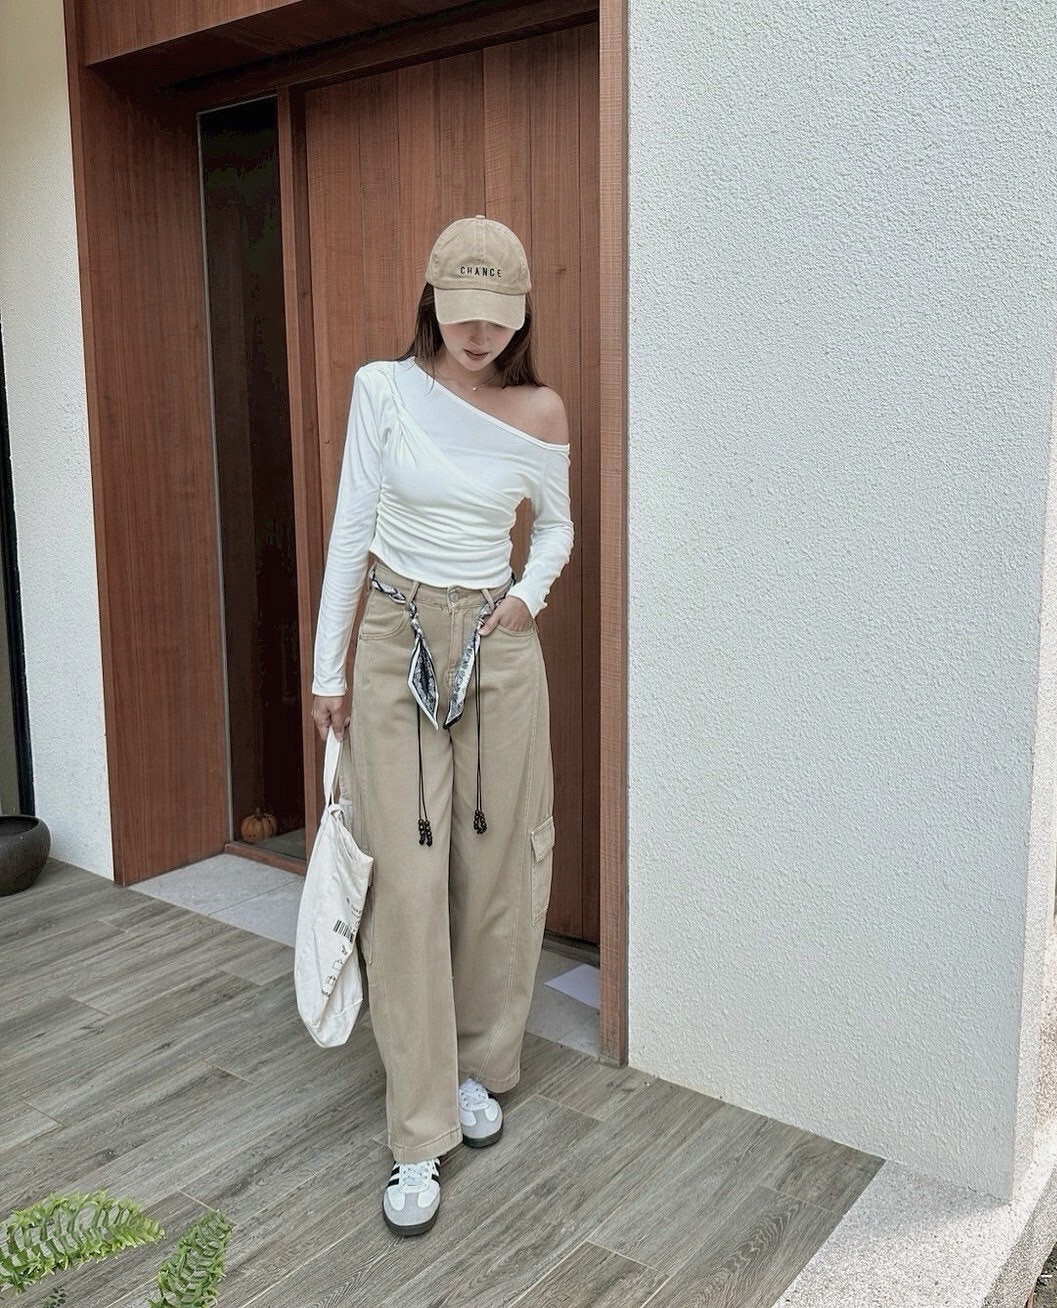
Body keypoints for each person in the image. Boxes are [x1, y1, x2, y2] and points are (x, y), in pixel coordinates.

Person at [310, 215, 574, 1236]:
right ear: (431, 300)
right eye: (461, 312)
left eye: (495, 317)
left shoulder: (540, 410)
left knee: (498, 861)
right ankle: (417, 1130)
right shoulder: (383, 390)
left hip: (496, 643)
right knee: (408, 882)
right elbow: (351, 528)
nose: (476, 334)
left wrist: (527, 599)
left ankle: (476, 1064)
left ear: (520, 316)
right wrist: (327, 667)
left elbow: (555, 527)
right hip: (394, 631)